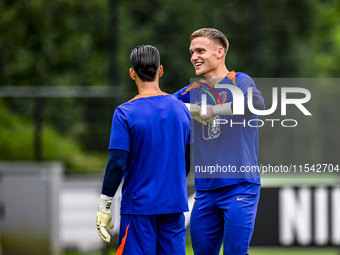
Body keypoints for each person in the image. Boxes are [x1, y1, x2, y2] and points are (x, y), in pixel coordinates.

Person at [173, 28, 265, 255]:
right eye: (192, 51)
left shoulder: (239, 81)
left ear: (219, 52)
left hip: (240, 186)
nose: (194, 56)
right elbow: (161, 108)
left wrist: (213, 110)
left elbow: (256, 104)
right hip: (204, 192)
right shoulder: (191, 91)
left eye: (201, 50)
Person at [96, 45, 191, 255]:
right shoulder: (181, 110)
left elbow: (117, 163)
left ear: (132, 73)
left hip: (139, 207)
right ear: (161, 70)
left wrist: (104, 206)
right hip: (173, 207)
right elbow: (186, 161)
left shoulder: (125, 112)